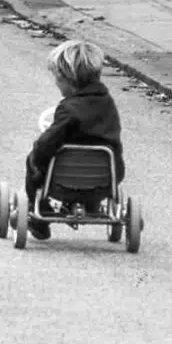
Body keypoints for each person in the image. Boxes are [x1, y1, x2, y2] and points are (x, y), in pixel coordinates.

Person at [23, 40, 125, 241]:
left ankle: (39, 217)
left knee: (35, 157)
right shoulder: (107, 103)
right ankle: (90, 203)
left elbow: (48, 143)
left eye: (57, 79)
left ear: (68, 80)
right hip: (104, 179)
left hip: (62, 183)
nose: (55, 83)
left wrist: (38, 154)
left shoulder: (68, 109)